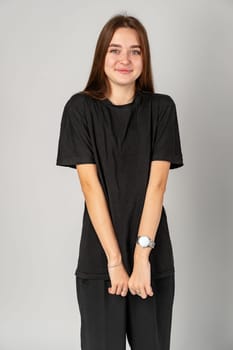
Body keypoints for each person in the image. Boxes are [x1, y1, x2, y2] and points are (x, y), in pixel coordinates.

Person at [56, 14, 183, 350]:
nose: (124, 59)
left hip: (151, 256)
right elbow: (90, 186)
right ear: (102, 56)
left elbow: (157, 186)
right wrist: (115, 260)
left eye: (135, 51)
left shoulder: (162, 110)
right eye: (115, 50)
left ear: (145, 59)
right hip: (100, 261)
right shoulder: (79, 109)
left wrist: (141, 258)